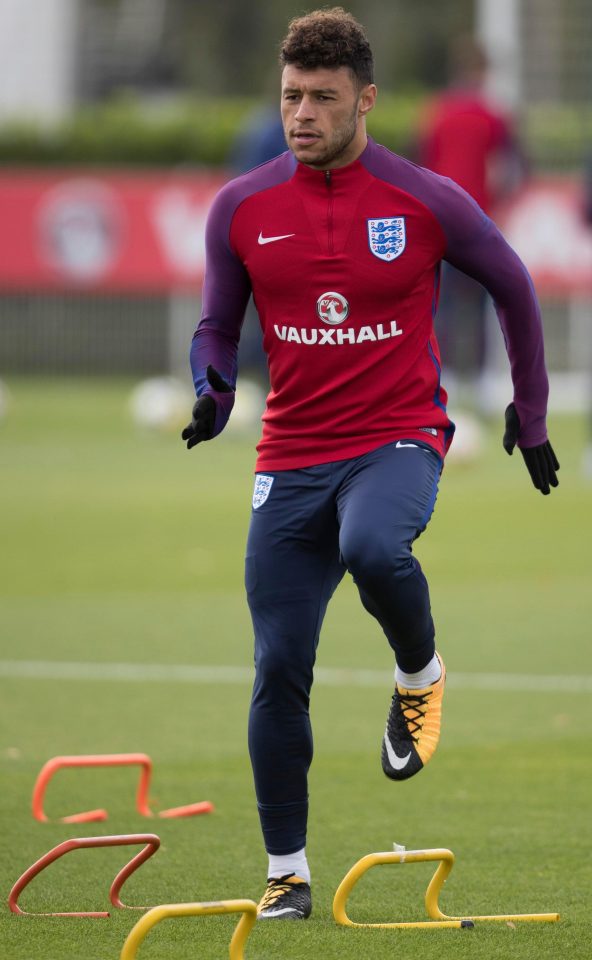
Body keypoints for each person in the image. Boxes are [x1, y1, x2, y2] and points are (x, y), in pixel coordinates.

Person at [181, 7, 559, 921]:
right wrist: (215, 388)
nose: (302, 114)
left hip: (398, 433)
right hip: (291, 452)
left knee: (374, 548)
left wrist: (531, 412)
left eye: (322, 98)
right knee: (278, 666)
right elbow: (214, 326)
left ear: (366, 100)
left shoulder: (424, 199)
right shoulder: (242, 206)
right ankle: (287, 873)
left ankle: (420, 674)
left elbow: (512, 282)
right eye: (290, 97)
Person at [417, 37, 525, 387]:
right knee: (479, 304)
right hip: (478, 219)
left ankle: (441, 376)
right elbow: (514, 166)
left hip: (439, 222)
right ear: (484, 72)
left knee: (441, 302)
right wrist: (503, 204)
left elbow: (419, 164)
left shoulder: (437, 111)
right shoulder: (494, 115)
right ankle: (479, 382)